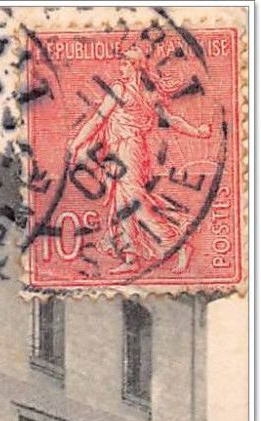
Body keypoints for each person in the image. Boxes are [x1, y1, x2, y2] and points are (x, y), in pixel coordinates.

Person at [65, 45, 213, 274]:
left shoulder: (122, 89)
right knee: (122, 204)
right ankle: (131, 257)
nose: (120, 67)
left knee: (135, 203)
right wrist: (198, 131)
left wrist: (76, 143)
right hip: (122, 152)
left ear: (135, 67)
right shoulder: (147, 95)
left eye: (124, 63)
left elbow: (98, 119)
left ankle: (176, 243)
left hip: (127, 151)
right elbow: (172, 120)